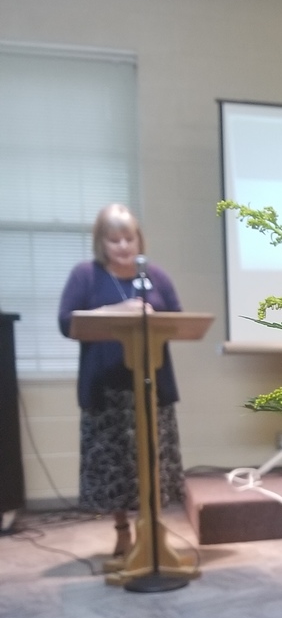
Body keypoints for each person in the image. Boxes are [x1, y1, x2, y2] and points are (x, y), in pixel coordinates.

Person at [59, 203, 185, 565]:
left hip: (152, 387)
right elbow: (67, 322)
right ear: (101, 242)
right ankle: (122, 531)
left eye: (129, 238)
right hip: (107, 389)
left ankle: (153, 531)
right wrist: (116, 311)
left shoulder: (155, 276)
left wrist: (152, 315)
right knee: (116, 466)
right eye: (114, 240)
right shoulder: (85, 275)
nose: (123, 246)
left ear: (139, 239)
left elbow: (178, 319)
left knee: (153, 462)